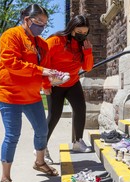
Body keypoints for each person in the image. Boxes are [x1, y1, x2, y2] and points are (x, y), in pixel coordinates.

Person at [0, 4, 66, 182]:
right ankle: (5, 178)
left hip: (31, 96)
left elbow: (45, 68)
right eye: (38, 22)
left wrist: (50, 82)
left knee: (42, 130)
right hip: (9, 94)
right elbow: (12, 63)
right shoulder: (11, 36)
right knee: (12, 135)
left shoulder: (42, 44)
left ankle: (40, 162)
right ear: (26, 19)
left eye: (44, 23)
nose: (41, 26)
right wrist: (43, 71)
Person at [41, 15, 94, 163]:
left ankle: (78, 141)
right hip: (55, 83)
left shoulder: (83, 43)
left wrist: (88, 52)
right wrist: (45, 85)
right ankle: (42, 149)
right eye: (79, 31)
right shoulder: (55, 41)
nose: (82, 35)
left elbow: (87, 68)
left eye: (85, 32)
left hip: (73, 81)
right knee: (54, 115)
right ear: (71, 29)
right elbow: (44, 64)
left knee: (80, 109)